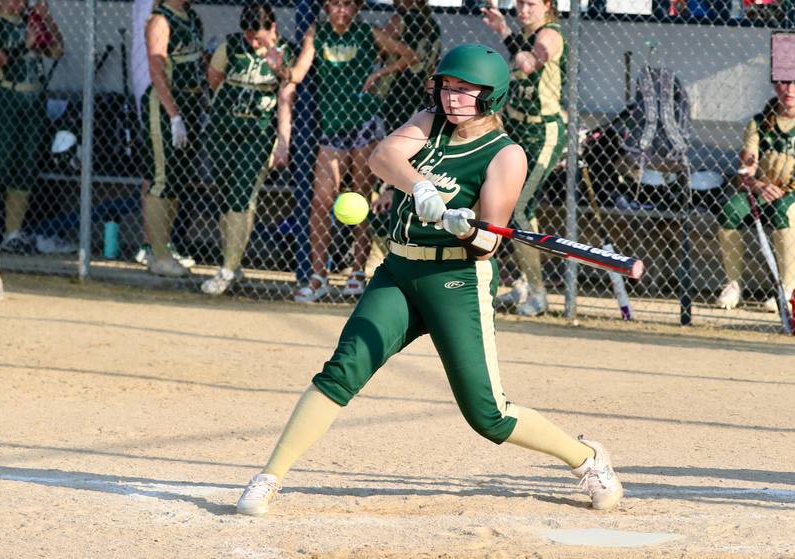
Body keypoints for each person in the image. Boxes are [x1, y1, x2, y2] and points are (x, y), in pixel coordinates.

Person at [233, 44, 623, 517]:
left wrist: (467, 226)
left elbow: (488, 245)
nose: (451, 97)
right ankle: (269, 476)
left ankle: (586, 459)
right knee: (341, 372)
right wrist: (420, 185)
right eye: (447, 87)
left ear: (492, 97)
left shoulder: (506, 155)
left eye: (465, 90)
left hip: (456, 278)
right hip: (399, 272)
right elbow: (382, 157)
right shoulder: (429, 122)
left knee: (488, 416)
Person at [289, 0, 417, 302]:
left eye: (348, 5)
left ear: (356, 8)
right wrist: (279, 67)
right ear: (326, 7)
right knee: (321, 200)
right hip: (332, 128)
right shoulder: (316, 34)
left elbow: (409, 56)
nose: (341, 11)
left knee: (360, 199)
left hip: (364, 124)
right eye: (335, 4)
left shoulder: (367, 32)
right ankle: (318, 276)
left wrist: (378, 75)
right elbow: (297, 74)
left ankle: (357, 273)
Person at [199, 2, 296, 295]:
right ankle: (234, 262)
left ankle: (227, 268)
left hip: (258, 134)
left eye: (259, 37)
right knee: (227, 195)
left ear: (273, 28)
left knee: (242, 195)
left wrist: (283, 141)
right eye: (249, 36)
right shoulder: (231, 46)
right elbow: (214, 79)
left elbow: (287, 95)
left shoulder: (286, 52)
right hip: (223, 130)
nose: (253, 42)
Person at [481, 0, 566, 317]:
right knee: (500, 205)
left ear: (547, 6)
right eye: (519, 3)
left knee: (519, 208)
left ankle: (539, 294)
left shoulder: (551, 34)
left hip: (543, 133)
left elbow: (530, 62)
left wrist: (503, 30)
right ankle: (523, 283)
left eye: (530, 3)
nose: (522, 9)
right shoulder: (521, 37)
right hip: (515, 126)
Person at [0, 0, 71, 255]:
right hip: (7, 98)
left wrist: (46, 19)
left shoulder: (32, 21)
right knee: (1, 162)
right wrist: (24, 44)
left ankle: (13, 232)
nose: (21, 3)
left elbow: (57, 50)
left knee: (24, 166)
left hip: (34, 99)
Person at [716, 82, 795, 312]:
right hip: (764, 190)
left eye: (794, 83)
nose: (789, 90)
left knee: (783, 212)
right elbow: (745, 171)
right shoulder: (760, 123)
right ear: (775, 86)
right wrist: (759, 185)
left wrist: (784, 189)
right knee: (731, 209)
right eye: (783, 83)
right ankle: (733, 284)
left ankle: (787, 289)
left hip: (790, 194)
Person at [141, 0, 204, 277]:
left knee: (178, 180)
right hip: (166, 104)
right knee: (162, 178)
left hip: (189, 100)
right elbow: (157, 70)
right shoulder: (160, 20)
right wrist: (174, 116)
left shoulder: (191, 17)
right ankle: (158, 254)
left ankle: (166, 247)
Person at [377, 0, 441, 133]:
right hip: (418, 90)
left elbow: (377, 52)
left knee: (391, 136)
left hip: (393, 89)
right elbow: (433, 66)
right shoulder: (432, 24)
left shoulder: (398, 20)